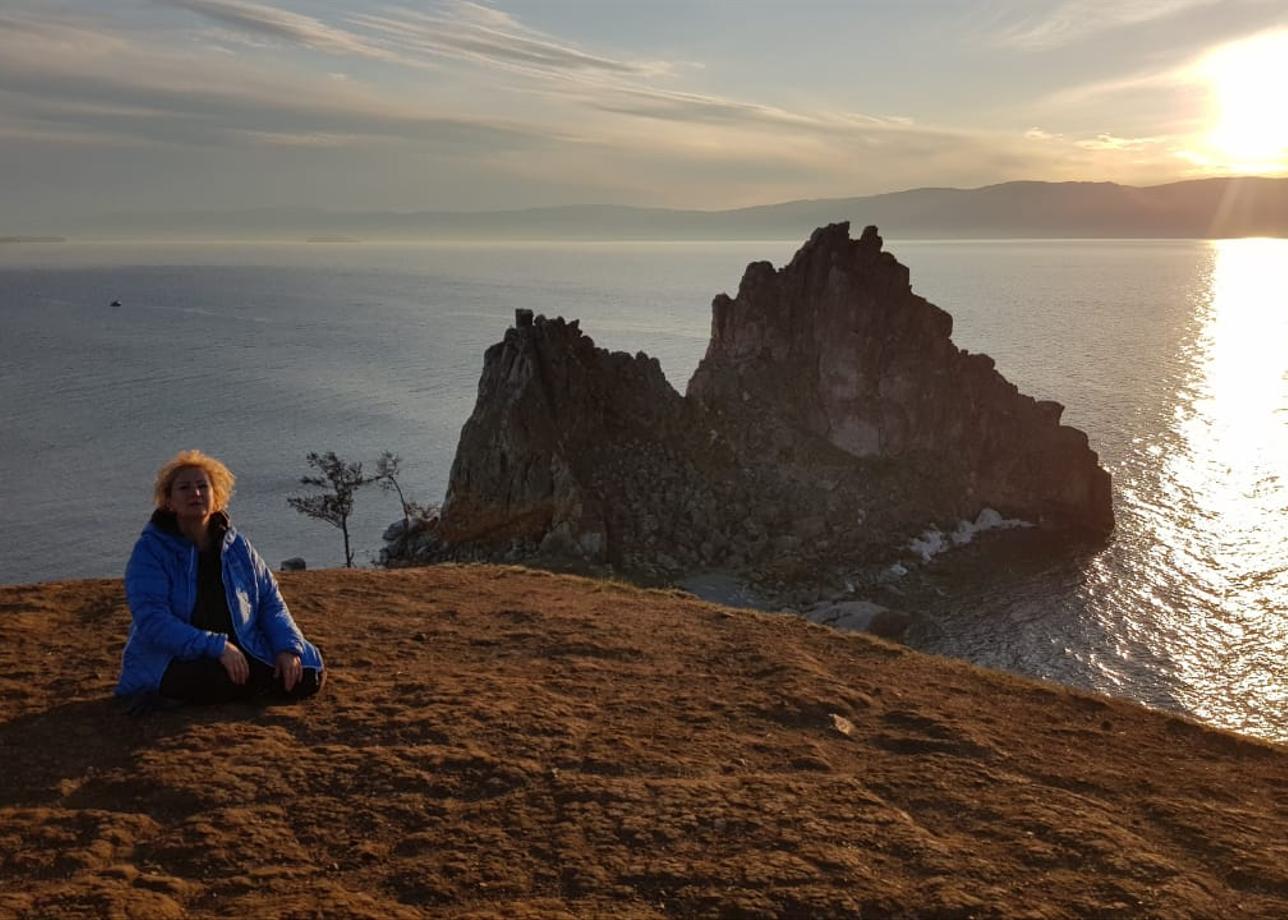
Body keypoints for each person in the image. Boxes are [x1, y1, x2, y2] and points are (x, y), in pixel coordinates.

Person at [117, 450, 325, 708]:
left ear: (216, 498)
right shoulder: (151, 551)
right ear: (168, 501)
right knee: (218, 679)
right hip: (176, 654)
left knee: (306, 672)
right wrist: (218, 647)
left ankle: (251, 682)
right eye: (184, 488)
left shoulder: (237, 546)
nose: (195, 493)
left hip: (242, 645)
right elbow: (152, 619)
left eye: (203, 486)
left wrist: (287, 647)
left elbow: (270, 601)